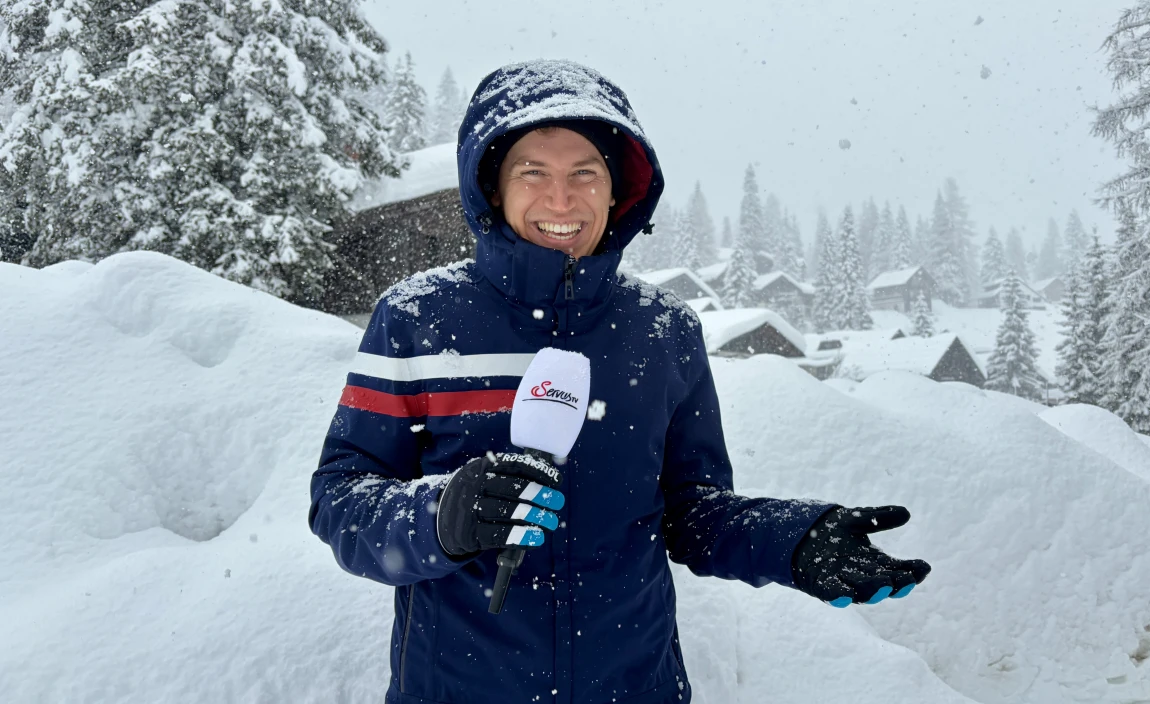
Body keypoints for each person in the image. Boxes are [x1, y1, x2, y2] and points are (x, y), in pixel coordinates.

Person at [309, 59, 930, 704]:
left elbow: (691, 513)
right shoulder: (417, 319)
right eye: (533, 172)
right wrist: (443, 517)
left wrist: (788, 541)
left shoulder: (664, 331)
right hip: (457, 687)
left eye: (585, 173)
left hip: (637, 687)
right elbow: (339, 499)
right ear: (492, 186)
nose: (560, 199)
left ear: (618, 192)